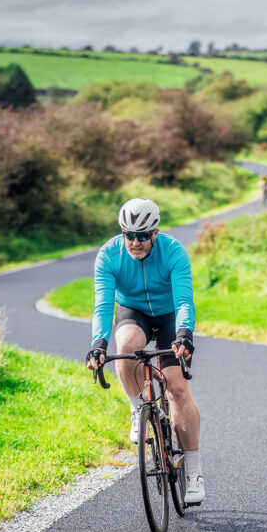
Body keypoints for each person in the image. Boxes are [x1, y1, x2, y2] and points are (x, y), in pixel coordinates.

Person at [85, 198, 206, 504]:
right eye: (130, 235)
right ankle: (138, 407)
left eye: (143, 236)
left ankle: (193, 472)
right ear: (122, 232)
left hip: (168, 317)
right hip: (133, 312)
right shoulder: (109, 255)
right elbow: (103, 304)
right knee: (125, 347)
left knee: (177, 389)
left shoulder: (174, 251)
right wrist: (98, 343)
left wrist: (184, 334)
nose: (135, 242)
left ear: (155, 232)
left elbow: (183, 301)